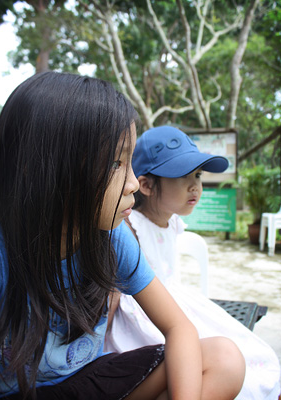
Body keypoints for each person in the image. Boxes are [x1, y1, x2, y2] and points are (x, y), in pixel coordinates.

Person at [0, 73, 246, 400]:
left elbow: (179, 328)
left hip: (89, 383)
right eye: (114, 163)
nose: (133, 184)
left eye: (130, 163)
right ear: (45, 168)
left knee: (224, 359)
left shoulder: (112, 239)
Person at [105, 126, 281, 400]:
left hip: (173, 302)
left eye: (198, 175)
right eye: (183, 176)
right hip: (146, 310)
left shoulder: (173, 221)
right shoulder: (129, 228)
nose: (195, 186)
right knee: (194, 364)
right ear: (147, 185)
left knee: (249, 352)